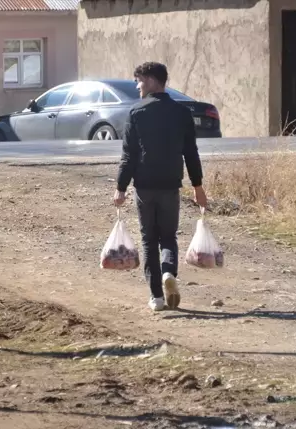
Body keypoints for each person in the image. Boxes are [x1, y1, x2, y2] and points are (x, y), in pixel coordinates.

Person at [113, 62, 207, 312]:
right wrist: (198, 187)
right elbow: (191, 153)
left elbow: (128, 156)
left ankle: (156, 297)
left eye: (139, 81)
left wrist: (121, 187)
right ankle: (168, 273)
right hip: (170, 185)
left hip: (144, 186)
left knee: (148, 239)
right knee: (168, 237)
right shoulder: (181, 113)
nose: (137, 86)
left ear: (153, 81)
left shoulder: (136, 113)